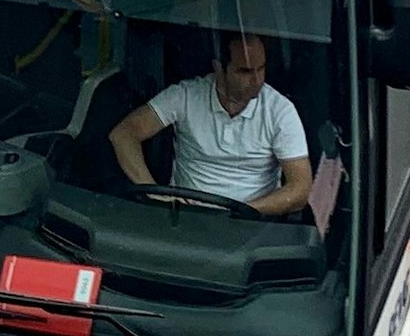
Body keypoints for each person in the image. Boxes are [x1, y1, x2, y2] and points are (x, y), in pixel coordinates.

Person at [108, 32, 312, 217]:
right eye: (245, 71)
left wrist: (245, 211)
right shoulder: (186, 96)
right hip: (185, 218)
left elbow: (300, 189)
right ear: (219, 68)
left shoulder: (280, 111)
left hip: (252, 223)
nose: (257, 79)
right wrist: (154, 194)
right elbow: (124, 134)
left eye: (262, 68)